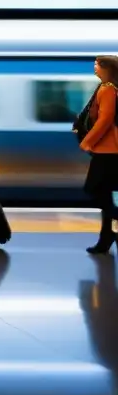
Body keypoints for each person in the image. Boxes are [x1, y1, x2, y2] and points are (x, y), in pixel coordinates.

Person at [77, 55, 118, 254]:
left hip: (109, 153)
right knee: (109, 198)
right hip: (110, 152)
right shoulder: (109, 87)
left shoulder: (108, 89)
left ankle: (110, 235)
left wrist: (87, 141)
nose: (94, 67)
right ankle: (108, 236)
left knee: (103, 196)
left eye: (97, 64)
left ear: (106, 68)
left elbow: (105, 120)